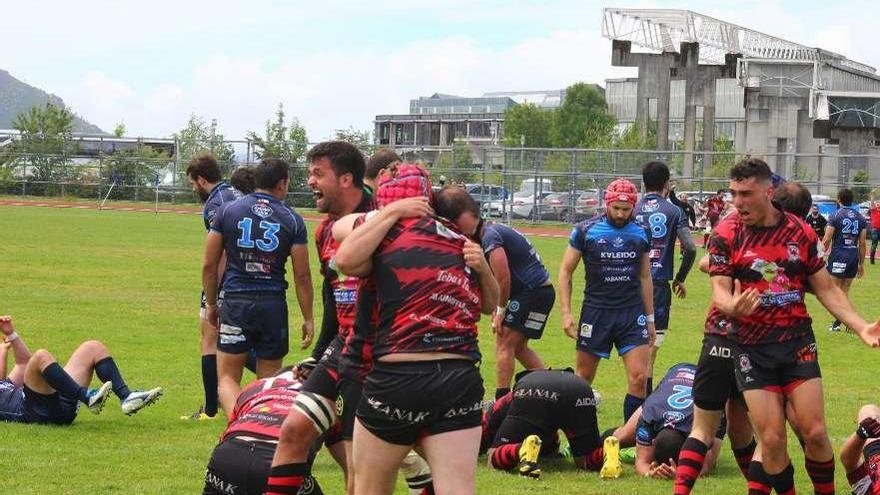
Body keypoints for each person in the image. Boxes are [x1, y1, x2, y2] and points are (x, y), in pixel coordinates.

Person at [694, 158, 880, 495]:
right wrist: (733, 305)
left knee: (815, 431)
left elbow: (824, 287)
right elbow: (719, 290)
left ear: (768, 192)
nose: (737, 202)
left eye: (746, 193)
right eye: (734, 193)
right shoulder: (726, 233)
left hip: (796, 342)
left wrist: (860, 326)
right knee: (772, 438)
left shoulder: (799, 231)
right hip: (749, 346)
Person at [332, 184, 499, 495]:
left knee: (368, 489)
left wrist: (484, 269)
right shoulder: (445, 240)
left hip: (397, 377)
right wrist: (391, 213)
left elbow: (344, 258)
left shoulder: (389, 238)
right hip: (458, 380)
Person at [267, 141, 377, 495]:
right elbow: (333, 295)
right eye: (309, 173)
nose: (310, 181)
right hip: (341, 347)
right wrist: (319, 351)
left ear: (346, 179)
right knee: (294, 430)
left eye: (318, 174)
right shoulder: (324, 230)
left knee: (363, 458)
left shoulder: (382, 220)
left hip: (377, 353)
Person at [203, 158, 314, 415]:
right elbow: (303, 275)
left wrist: (211, 304)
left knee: (228, 379)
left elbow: (209, 265)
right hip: (273, 304)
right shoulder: (293, 219)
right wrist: (308, 317)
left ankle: (238, 424)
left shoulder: (228, 211)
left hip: (236, 301)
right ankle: (261, 429)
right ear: (282, 183)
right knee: (269, 382)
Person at [558, 178, 655, 424]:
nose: (621, 214)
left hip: (631, 313)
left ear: (634, 206)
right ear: (606, 204)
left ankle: (630, 442)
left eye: (626, 209)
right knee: (583, 379)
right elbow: (566, 271)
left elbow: (645, 276)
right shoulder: (585, 230)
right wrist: (566, 313)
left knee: (639, 378)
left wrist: (651, 318)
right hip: (596, 312)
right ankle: (578, 437)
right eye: (616, 208)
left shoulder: (642, 232)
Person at [0, 315, 162, 425]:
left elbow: (24, 364)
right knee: (41, 356)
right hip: (36, 412)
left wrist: (11, 334)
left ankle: (126, 397)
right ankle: (87, 396)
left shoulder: (6, 386)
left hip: (58, 404)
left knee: (92, 347)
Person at [185, 152, 243, 420]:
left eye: (192, 183)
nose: (193, 188)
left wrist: (213, 295)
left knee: (208, 339)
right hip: (244, 279)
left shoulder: (214, 205)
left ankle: (211, 410)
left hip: (224, 280)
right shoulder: (235, 193)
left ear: (201, 179)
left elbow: (220, 254)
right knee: (229, 339)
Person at [481, 369, 613, 479]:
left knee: (492, 458)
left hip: (534, 389)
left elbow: (484, 428)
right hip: (580, 387)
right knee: (584, 459)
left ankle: (521, 449)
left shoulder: (491, 414)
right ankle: (607, 452)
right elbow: (549, 446)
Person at [634, 162, 697, 395]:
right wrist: (680, 278)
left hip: (630, 283)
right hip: (658, 283)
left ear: (643, 182)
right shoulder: (674, 211)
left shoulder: (632, 208)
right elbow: (690, 248)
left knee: (634, 342)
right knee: (652, 344)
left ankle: (637, 393)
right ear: (667, 184)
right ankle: (645, 396)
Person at [475, 219, 554, 400]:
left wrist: (501, 311)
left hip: (533, 292)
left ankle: (500, 401)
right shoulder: (493, 229)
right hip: (541, 292)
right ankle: (554, 391)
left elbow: (504, 279)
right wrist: (497, 305)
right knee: (518, 348)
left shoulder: (489, 236)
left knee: (504, 344)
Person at [612, 363, 724, 480]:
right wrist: (650, 473)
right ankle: (596, 447)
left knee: (712, 460)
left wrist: (681, 473)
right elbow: (641, 462)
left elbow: (706, 465)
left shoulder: (698, 425)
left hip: (708, 387)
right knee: (621, 437)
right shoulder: (650, 414)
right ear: (653, 440)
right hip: (674, 377)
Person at [823, 188, 867, 332]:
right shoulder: (860, 218)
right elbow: (862, 243)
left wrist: (819, 254)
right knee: (845, 291)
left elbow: (827, 238)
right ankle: (848, 323)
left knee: (834, 291)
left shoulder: (835, 215)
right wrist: (861, 264)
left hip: (839, 255)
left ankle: (840, 324)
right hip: (853, 256)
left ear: (839, 199)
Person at [840, 404, 880, 495]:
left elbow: (849, 462)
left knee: (868, 411)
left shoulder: (870, 490)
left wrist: (861, 433)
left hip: (875, 455)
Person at [869, 192, 880, 264]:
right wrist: (872, 197)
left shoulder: (875, 210)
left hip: (875, 230)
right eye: (877, 204)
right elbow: (872, 204)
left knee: (874, 244)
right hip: (875, 229)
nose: (878, 205)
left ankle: (872, 261)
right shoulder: (874, 210)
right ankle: (872, 261)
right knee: (874, 244)